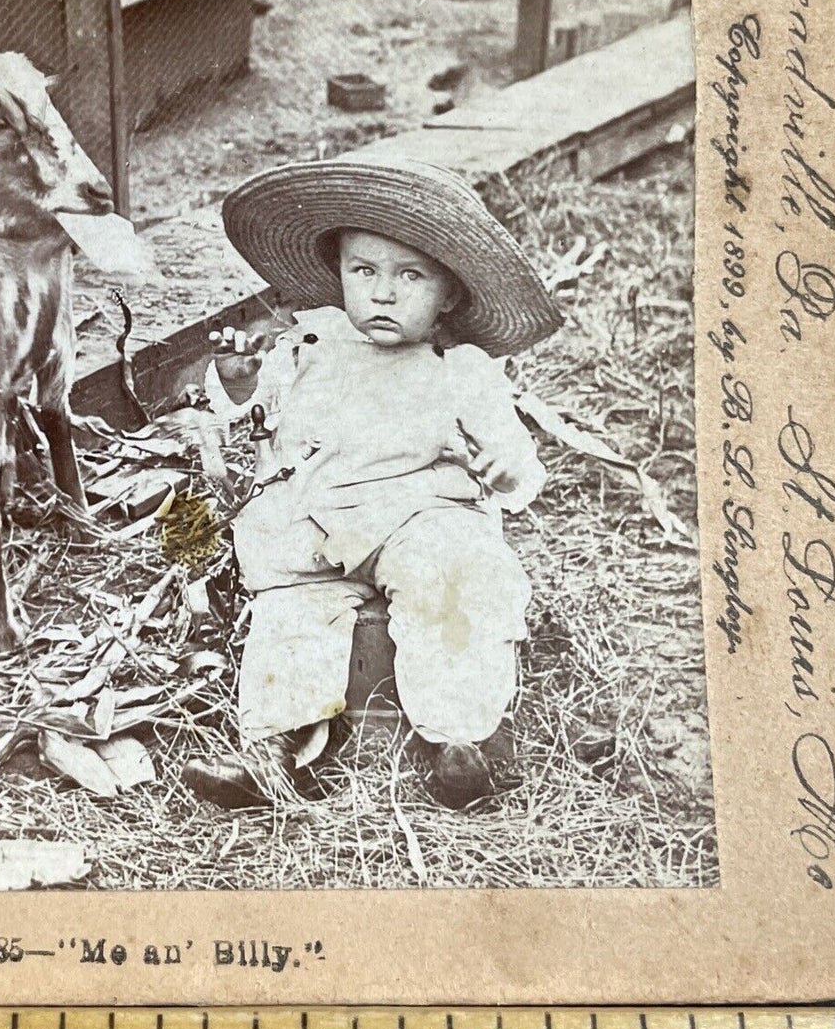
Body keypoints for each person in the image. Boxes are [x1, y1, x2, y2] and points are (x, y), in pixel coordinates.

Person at [182, 154, 564, 810]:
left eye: (408, 275)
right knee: (289, 612)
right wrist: (239, 378)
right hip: (317, 525)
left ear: (448, 293)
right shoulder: (310, 340)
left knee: (458, 579)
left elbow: (513, 458)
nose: (381, 292)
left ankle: (460, 741)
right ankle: (271, 750)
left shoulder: (460, 365)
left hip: (420, 515)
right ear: (337, 273)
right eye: (363, 271)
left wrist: (506, 467)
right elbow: (242, 411)